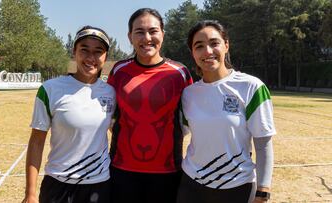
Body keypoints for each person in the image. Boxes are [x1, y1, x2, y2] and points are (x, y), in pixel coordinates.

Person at [177, 20, 275, 203]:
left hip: (238, 186)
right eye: (199, 46)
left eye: (214, 43)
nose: (207, 51)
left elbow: (263, 143)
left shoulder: (251, 87)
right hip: (192, 184)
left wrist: (263, 189)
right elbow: (179, 134)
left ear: (226, 45)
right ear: (192, 52)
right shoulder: (188, 93)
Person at [107, 8, 193, 203]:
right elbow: (109, 116)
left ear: (163, 34)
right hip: (121, 171)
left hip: (168, 172)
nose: (147, 38)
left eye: (153, 31)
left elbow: (188, 121)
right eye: (139, 32)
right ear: (130, 37)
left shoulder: (180, 73)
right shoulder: (118, 71)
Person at [23, 25, 115, 203]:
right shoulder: (50, 89)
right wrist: (30, 193)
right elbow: (36, 141)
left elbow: (118, 132)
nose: (90, 57)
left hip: (99, 185)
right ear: (74, 52)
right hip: (58, 183)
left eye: (98, 51)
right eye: (84, 50)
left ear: (105, 56)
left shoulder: (111, 92)